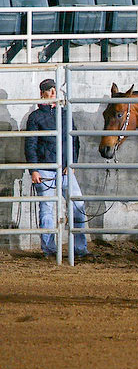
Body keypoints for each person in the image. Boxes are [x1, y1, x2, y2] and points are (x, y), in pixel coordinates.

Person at [25, 78, 89, 258]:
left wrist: (72, 162)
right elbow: (30, 144)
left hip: (65, 169)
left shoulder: (65, 114)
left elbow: (74, 140)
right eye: (49, 90)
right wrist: (34, 170)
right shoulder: (35, 117)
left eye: (54, 89)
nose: (53, 92)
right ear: (42, 93)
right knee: (47, 209)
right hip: (45, 169)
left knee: (77, 205)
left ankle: (79, 248)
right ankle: (49, 249)